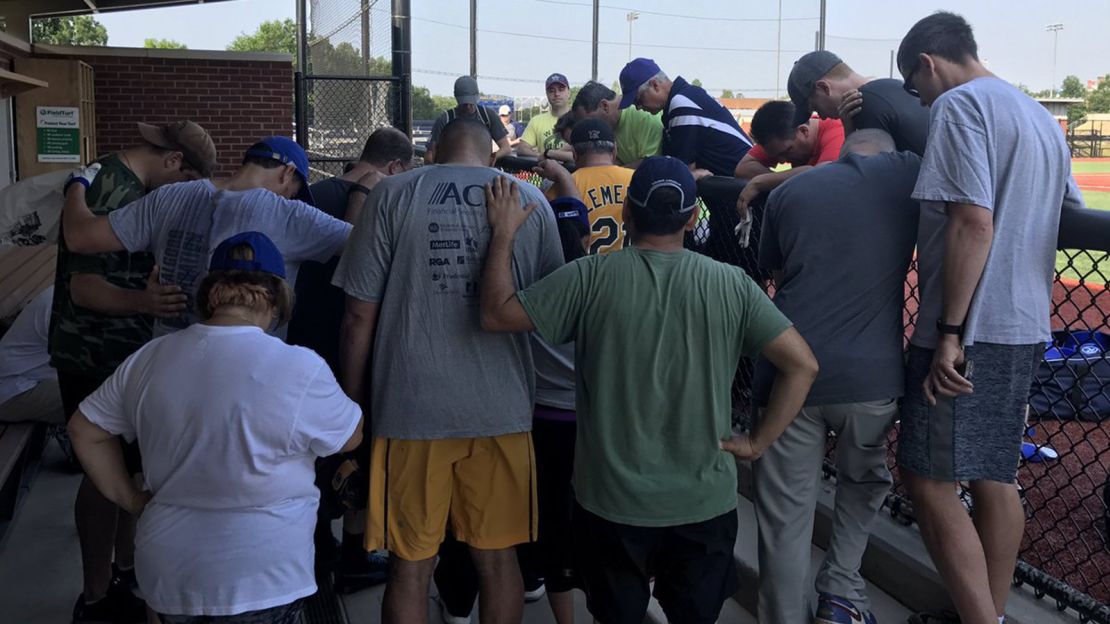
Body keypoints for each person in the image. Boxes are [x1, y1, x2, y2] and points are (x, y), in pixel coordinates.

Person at [479, 157, 819, 624]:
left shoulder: (590, 277)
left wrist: (502, 233)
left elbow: (496, 314)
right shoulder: (731, 284)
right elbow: (802, 365)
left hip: (610, 503)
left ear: (627, 215)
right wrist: (758, 443)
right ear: (691, 217)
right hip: (703, 502)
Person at [331, 118, 563, 624]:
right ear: (492, 158)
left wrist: (351, 403)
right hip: (503, 410)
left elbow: (357, 316)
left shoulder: (392, 194)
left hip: (412, 411)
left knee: (410, 567)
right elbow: (548, 314)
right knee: (499, 562)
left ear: (432, 151)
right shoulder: (532, 203)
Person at [67, 231, 364, 624]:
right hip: (264, 575)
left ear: (209, 294)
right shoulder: (300, 367)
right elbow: (351, 436)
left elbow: (84, 429)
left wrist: (131, 499)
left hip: (169, 571)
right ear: (276, 298)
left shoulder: (150, 357)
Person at [894, 13, 1085, 624]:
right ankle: (988, 612)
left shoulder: (957, 107)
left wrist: (950, 331)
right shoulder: (1037, 115)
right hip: (1026, 317)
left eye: (912, 85)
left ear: (927, 62)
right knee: (993, 474)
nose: (917, 99)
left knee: (926, 479)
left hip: (973, 326)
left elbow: (973, 220)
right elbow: (1070, 211)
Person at [51, 120, 217, 624]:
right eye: (184, 181)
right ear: (172, 162)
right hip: (94, 352)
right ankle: (96, 598)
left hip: (122, 353)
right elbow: (83, 287)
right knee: (102, 477)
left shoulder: (117, 180)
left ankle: (122, 573)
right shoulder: (112, 187)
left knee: (127, 469)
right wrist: (144, 301)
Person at [751, 130, 920, 624]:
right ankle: (841, 594)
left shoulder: (788, 192)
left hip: (787, 370)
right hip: (871, 376)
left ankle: (784, 617)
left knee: (784, 515)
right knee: (863, 484)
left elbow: (775, 275)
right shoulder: (904, 174)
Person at [59, 136, 351, 339]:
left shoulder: (168, 196)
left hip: (170, 364)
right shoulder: (290, 215)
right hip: (251, 374)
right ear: (288, 173)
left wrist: (78, 184)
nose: (292, 195)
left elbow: (80, 237)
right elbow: (371, 244)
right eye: (296, 188)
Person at [284, 127, 412, 591]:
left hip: (304, 341)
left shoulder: (314, 194)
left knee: (308, 454)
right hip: (353, 345)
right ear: (394, 167)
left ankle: (317, 551)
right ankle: (355, 554)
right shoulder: (385, 201)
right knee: (359, 450)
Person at [618, 57, 753, 177]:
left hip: (743, 186)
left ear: (655, 85)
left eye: (639, 99)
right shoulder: (685, 97)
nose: (638, 107)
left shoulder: (681, 104)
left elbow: (682, 173)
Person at [787, 50, 930, 156]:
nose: (823, 117)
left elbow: (859, 180)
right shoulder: (892, 85)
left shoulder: (863, 105)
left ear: (824, 87)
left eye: (816, 108)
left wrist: (850, 132)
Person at [535, 118, 634, 254]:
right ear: (615, 150)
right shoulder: (636, 179)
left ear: (574, 154)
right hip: (632, 269)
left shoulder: (564, 185)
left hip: (586, 272)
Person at [734, 100, 845, 214]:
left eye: (787, 151)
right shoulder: (777, 139)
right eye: (776, 156)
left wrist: (762, 182)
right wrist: (781, 181)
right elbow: (743, 168)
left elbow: (824, 173)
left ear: (803, 131)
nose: (782, 161)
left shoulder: (836, 129)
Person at [0, 286, 64, 426]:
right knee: (104, 403)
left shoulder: (75, 292)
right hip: (13, 390)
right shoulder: (62, 310)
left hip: (33, 378)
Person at [571, 80, 663, 168]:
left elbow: (652, 163)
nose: (588, 128)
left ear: (605, 106)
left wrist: (611, 174)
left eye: (590, 121)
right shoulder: (610, 125)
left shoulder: (644, 114)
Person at [426, 76, 511, 164]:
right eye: (464, 103)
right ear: (456, 98)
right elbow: (429, 155)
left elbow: (506, 148)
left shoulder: (488, 116)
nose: (468, 107)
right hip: (452, 168)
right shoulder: (445, 120)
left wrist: (492, 158)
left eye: (471, 103)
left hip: (480, 167)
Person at [517, 73, 572, 158]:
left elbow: (585, 155)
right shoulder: (536, 121)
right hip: (546, 170)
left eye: (561, 89)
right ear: (547, 94)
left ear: (569, 92)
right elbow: (522, 149)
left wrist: (549, 155)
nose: (557, 94)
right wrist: (541, 156)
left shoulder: (580, 119)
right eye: (551, 91)